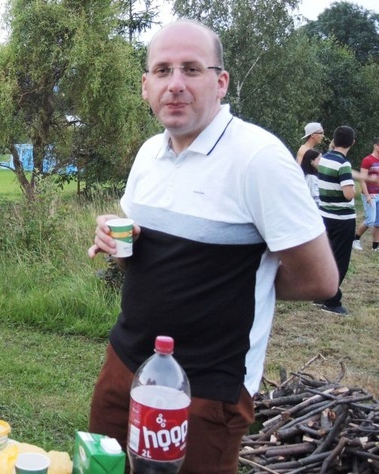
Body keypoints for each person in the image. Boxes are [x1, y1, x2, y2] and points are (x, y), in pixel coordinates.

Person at [86, 20, 338, 474]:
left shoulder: (259, 159)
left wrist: (241, 281)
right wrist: (112, 234)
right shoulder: (148, 154)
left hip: (206, 386)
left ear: (220, 82)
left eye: (191, 69)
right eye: (162, 71)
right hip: (124, 362)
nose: (175, 84)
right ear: (146, 86)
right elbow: (139, 257)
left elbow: (320, 279)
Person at [318, 126, 356, 315]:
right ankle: (331, 300)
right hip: (342, 219)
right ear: (352, 143)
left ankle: (319, 294)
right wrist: (354, 190)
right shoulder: (343, 164)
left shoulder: (324, 158)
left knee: (326, 256)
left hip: (325, 215)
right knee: (340, 260)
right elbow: (348, 194)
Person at [352, 137, 379, 251]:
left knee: (378, 222)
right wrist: (367, 195)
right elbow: (362, 179)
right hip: (370, 195)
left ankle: (375, 246)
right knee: (370, 220)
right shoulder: (367, 160)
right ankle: (355, 239)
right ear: (375, 146)